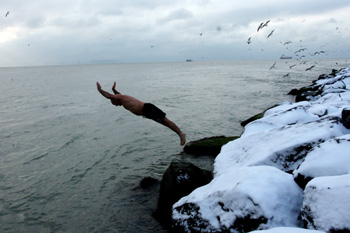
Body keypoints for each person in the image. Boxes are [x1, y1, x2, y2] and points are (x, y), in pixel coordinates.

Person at [96, 82, 186, 146]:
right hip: (146, 112)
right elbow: (118, 95)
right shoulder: (122, 99)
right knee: (164, 122)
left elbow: (109, 96)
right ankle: (180, 134)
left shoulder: (122, 98)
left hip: (147, 109)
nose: (116, 106)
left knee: (165, 122)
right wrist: (114, 89)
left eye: (114, 104)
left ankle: (181, 134)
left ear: (115, 100)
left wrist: (100, 90)